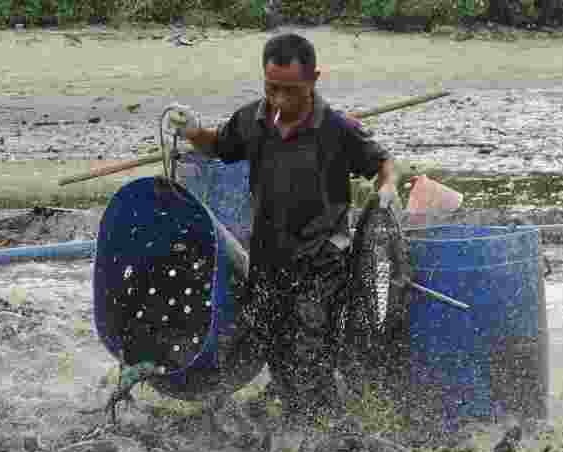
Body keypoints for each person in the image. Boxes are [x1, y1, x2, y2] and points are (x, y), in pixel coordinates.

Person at [167, 33, 399, 421]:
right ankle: (295, 415)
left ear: (314, 79)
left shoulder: (338, 130)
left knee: (310, 347)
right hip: (269, 256)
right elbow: (219, 145)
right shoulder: (251, 120)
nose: (278, 100)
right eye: (271, 88)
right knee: (272, 343)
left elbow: (384, 163)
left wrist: (389, 186)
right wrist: (193, 132)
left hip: (323, 259)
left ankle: (326, 424)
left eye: (290, 91)